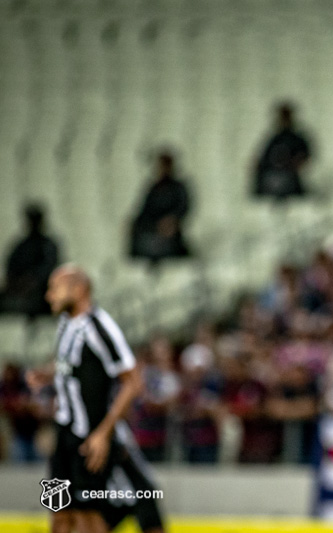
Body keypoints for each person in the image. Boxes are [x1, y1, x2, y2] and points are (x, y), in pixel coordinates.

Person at [26, 264, 143, 533]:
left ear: (78, 290)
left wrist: (103, 433)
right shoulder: (66, 323)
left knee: (89, 518)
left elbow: (133, 382)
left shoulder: (101, 328)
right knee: (58, 513)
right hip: (63, 438)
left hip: (89, 440)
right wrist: (47, 374)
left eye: (55, 288)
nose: (48, 296)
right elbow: (73, 365)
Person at [130, 150, 191, 263]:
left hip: (171, 233)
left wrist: (172, 220)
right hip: (153, 229)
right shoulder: (154, 188)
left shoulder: (178, 187)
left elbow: (183, 207)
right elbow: (145, 210)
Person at [1, 203, 59, 316]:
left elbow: (49, 268)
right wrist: (15, 282)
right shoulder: (21, 246)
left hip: (41, 292)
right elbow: (11, 268)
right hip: (19, 289)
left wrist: (32, 280)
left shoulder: (47, 245)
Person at [252, 102, 311, 198]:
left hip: (289, 178)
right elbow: (263, 159)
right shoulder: (274, 139)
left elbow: (305, 156)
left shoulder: (296, 139)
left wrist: (297, 163)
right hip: (272, 177)